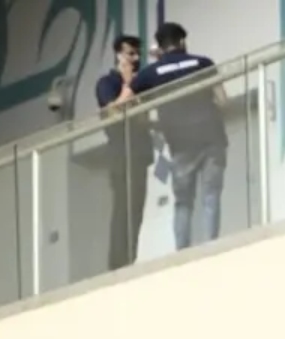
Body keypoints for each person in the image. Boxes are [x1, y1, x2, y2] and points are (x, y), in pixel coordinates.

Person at [114, 22, 227, 250]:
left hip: (181, 144)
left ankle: (182, 253)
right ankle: (212, 247)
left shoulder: (151, 73)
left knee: (183, 203)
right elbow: (223, 100)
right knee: (211, 195)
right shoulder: (202, 63)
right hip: (212, 138)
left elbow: (121, 105)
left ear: (161, 47)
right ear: (182, 42)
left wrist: (149, 121)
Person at [93, 34, 151, 271]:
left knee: (137, 209)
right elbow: (114, 112)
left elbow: (143, 117)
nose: (135, 59)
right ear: (119, 54)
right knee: (122, 208)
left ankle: (130, 259)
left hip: (139, 153)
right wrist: (128, 84)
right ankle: (117, 265)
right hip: (120, 152)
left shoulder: (142, 83)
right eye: (130, 53)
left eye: (138, 53)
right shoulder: (107, 83)